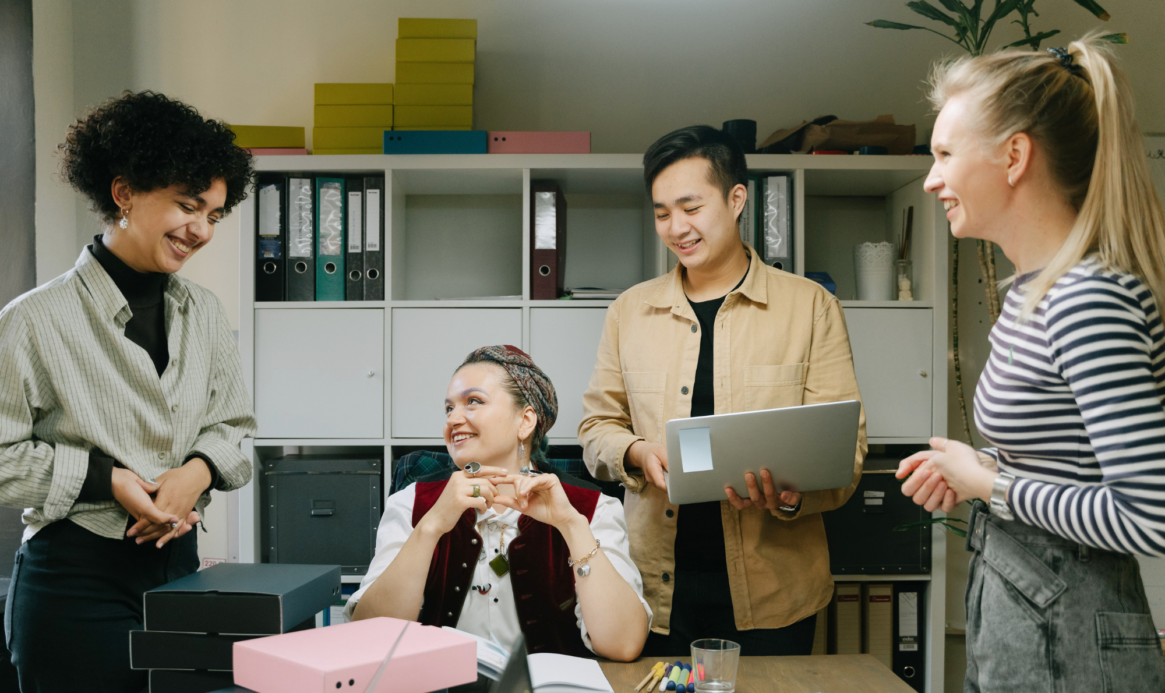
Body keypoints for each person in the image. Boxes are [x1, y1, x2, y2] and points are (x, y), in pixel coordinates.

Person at [896, 34, 1165, 690]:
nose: (931, 179)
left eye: (943, 155)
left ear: (1014, 155)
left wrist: (991, 485)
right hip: (1024, 612)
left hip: (1069, 634)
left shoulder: (1085, 298)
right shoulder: (1031, 291)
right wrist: (978, 470)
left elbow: (1149, 512)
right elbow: (1074, 461)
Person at [0, 91, 257, 692]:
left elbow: (234, 429)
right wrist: (107, 480)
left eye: (215, 215)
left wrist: (196, 472)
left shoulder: (206, 314)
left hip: (183, 578)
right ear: (123, 194)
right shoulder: (34, 320)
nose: (201, 231)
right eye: (188, 206)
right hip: (74, 585)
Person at [578, 126, 866, 656]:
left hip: (776, 591)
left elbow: (845, 453)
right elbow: (596, 429)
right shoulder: (629, 312)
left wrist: (791, 494)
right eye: (662, 212)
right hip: (652, 587)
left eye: (690, 207)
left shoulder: (810, 307)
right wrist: (638, 452)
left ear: (737, 200)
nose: (676, 227)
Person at [348, 346, 650, 661]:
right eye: (449, 408)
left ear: (525, 421)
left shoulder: (593, 508)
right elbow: (370, 637)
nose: (454, 419)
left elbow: (623, 645)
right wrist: (431, 527)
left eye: (473, 402)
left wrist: (572, 527)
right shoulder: (411, 503)